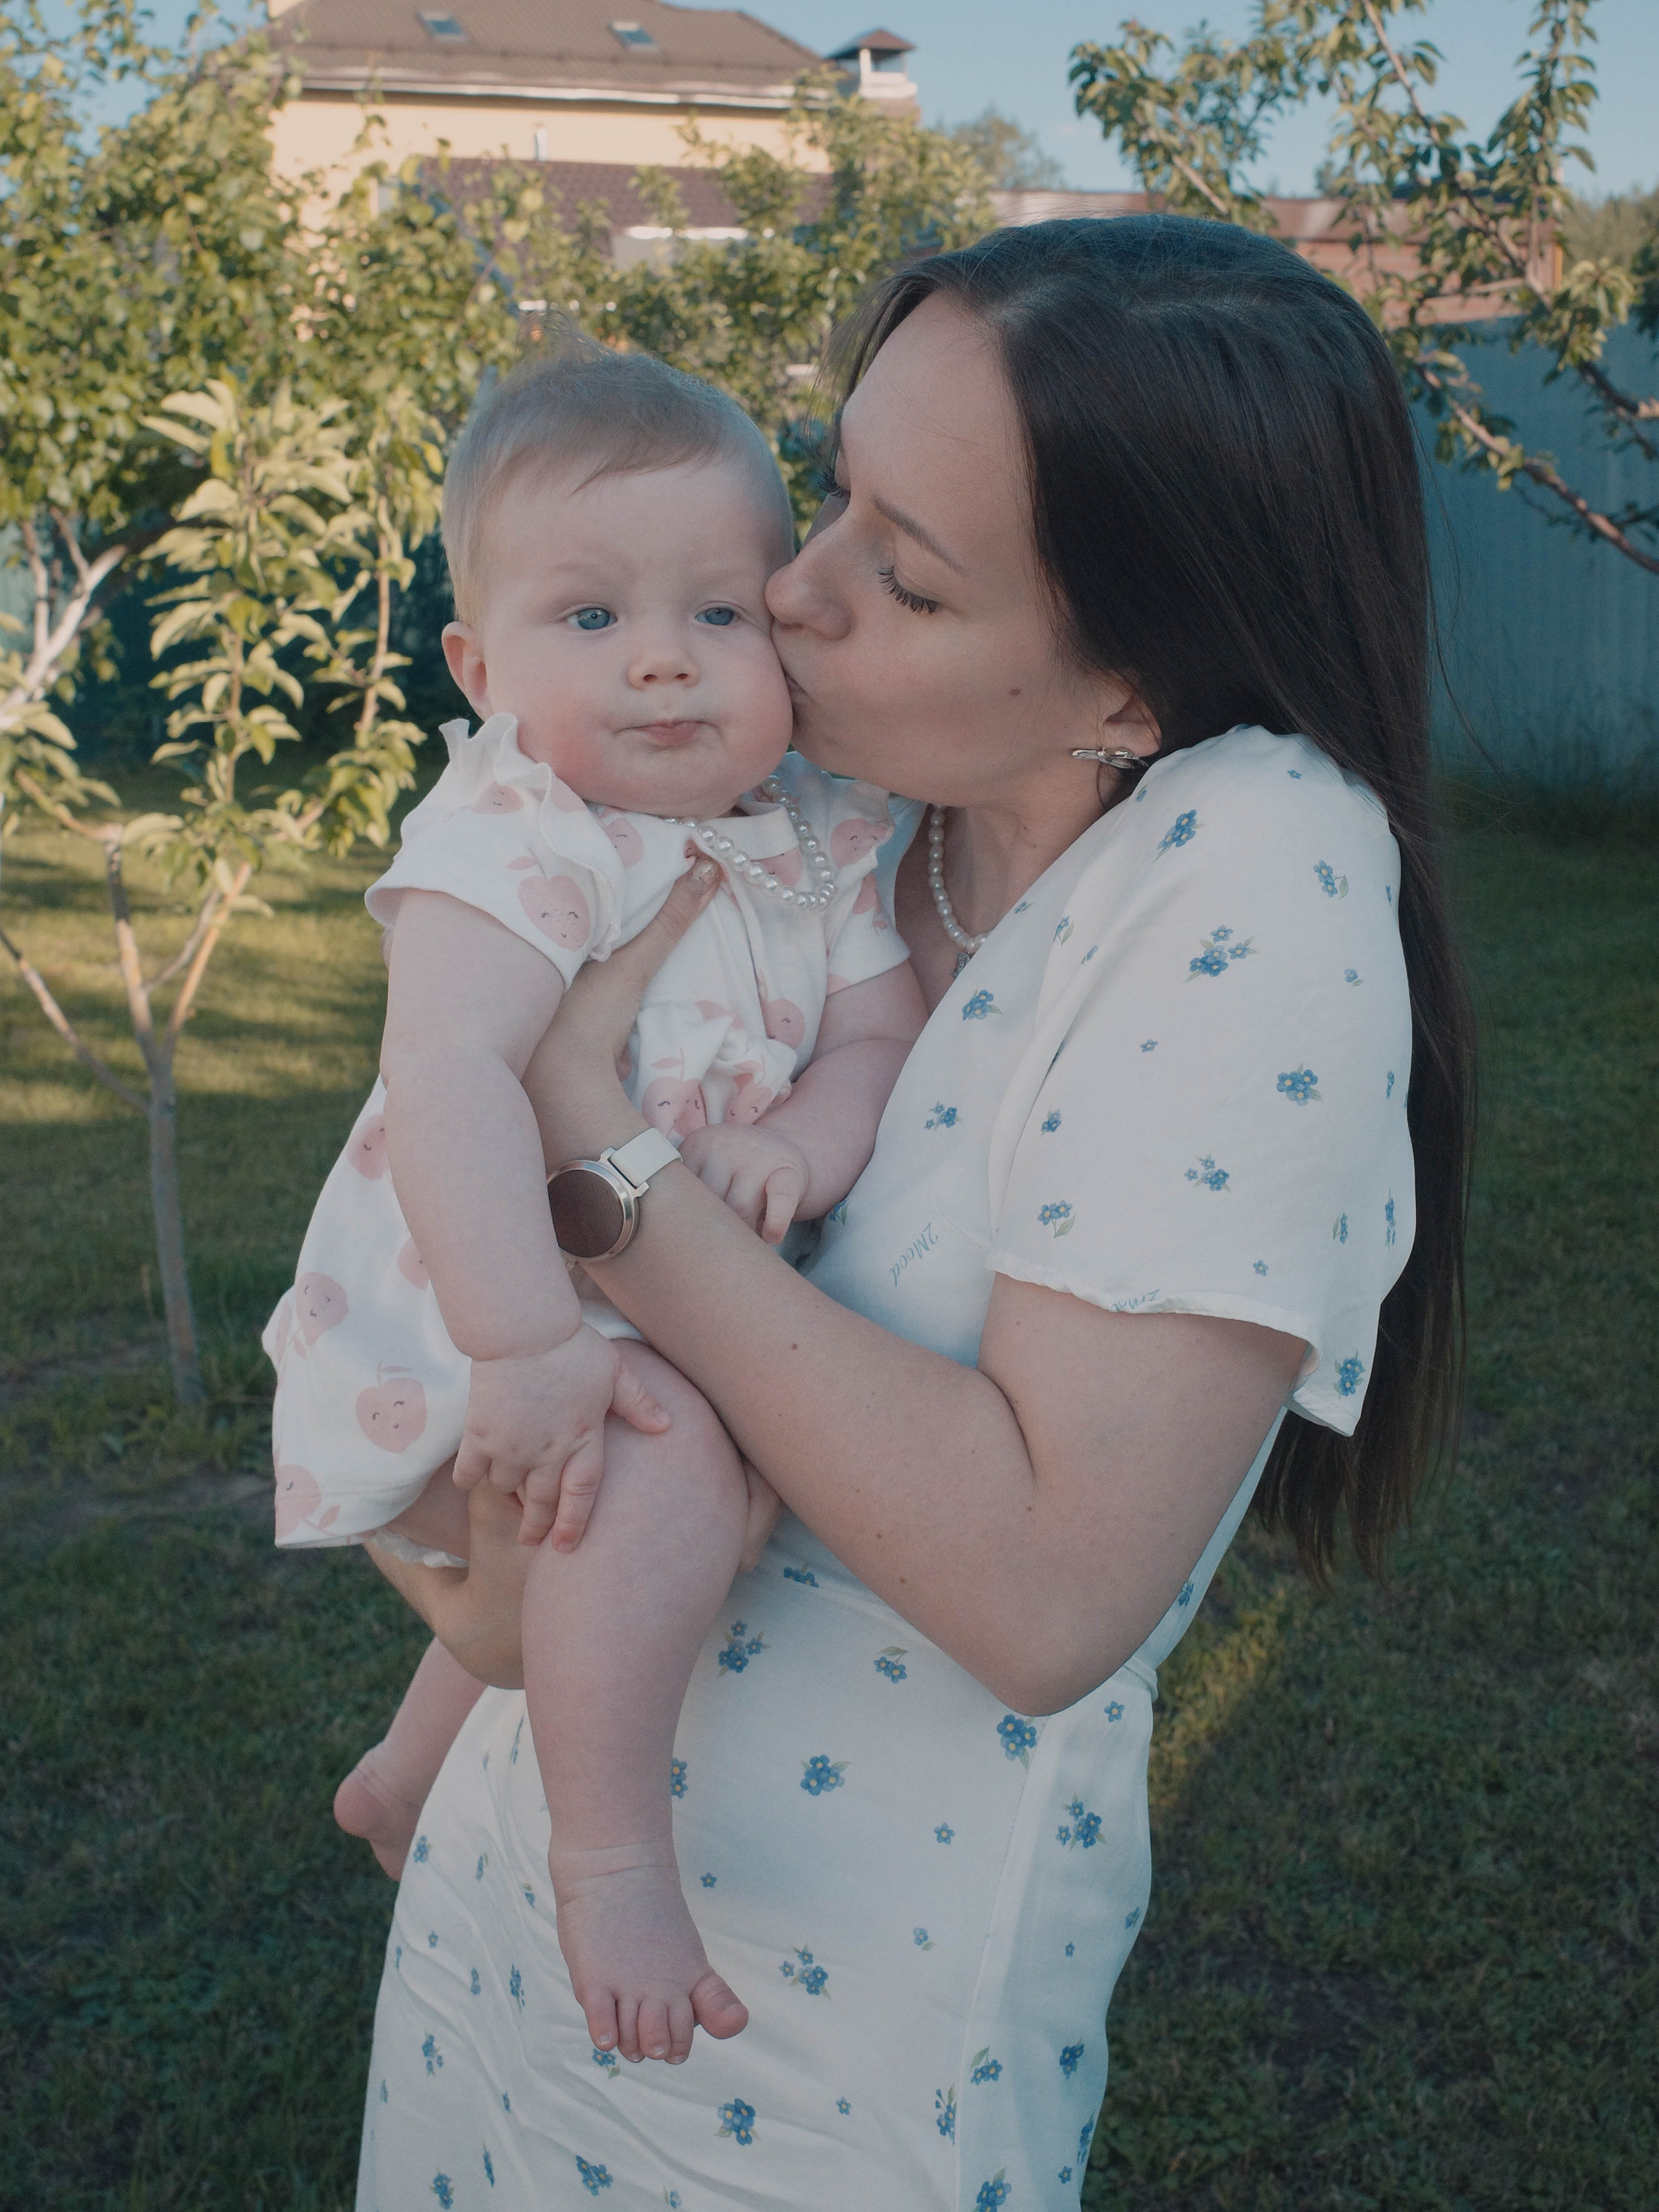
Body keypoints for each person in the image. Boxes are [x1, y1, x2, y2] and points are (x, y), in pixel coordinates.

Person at [353, 216, 1473, 2211]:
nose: (788, 590)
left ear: (1128, 674)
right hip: (524, 1885)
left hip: (809, 2033)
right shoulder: (841, 804)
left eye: (902, 568)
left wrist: (597, 1142)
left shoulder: (1253, 880)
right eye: (835, 490)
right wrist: (468, 1580)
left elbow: (1047, 1595)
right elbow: (466, 1478)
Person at [263, 343, 923, 2066]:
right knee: (665, 1476)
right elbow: (453, 1078)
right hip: (495, 1293)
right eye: (589, 621)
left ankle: (404, 1775)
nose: (659, 660)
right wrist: (529, 1340)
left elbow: (875, 1027)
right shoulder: (517, 835)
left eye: (719, 616)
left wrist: (824, 1132)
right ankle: (612, 1857)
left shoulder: (818, 831)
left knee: (614, 1532)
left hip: (641, 1274)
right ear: (480, 668)